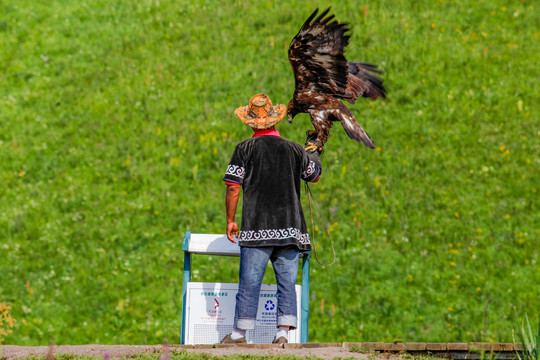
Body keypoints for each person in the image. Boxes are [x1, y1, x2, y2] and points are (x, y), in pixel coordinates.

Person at [220, 93, 322, 344]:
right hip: (290, 227)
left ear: (252, 123)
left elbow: (233, 186)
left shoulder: (244, 149)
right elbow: (314, 175)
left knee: (250, 280)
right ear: (274, 122)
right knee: (286, 281)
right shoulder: (294, 149)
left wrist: (231, 220)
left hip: (257, 227)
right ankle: (282, 334)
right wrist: (315, 150)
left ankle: (239, 334)